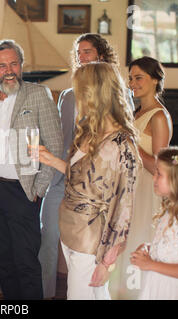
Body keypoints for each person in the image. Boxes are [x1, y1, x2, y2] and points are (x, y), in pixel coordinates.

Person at [39, 33, 134, 299]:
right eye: (78, 53)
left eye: (87, 52)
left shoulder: (120, 140)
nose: (81, 57)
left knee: (82, 291)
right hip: (68, 208)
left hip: (92, 224)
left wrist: (108, 260)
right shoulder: (78, 116)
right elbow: (73, 164)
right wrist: (48, 160)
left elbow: (123, 204)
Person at [0, 39, 63, 300]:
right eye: (2, 66)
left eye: (13, 63)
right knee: (3, 261)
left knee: (26, 263)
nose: (8, 70)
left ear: (21, 66)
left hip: (23, 190)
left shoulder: (37, 94)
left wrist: (39, 190)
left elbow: (53, 144)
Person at [112, 56, 173, 299]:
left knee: (138, 242)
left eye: (139, 77)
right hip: (129, 188)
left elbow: (160, 167)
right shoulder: (137, 112)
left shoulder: (158, 116)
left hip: (146, 190)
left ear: (155, 80)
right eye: (131, 78)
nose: (132, 83)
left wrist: (132, 147)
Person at [131, 146, 178, 300]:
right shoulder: (169, 212)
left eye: (159, 173)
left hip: (174, 292)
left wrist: (150, 264)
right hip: (158, 287)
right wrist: (149, 248)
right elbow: (174, 248)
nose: (153, 177)